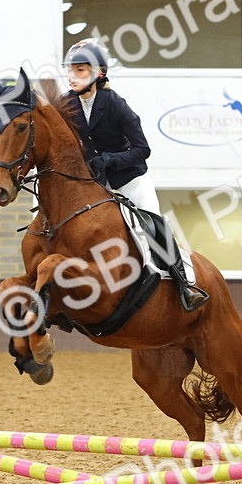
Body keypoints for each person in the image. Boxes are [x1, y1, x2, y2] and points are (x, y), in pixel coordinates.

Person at [63, 39, 208, 311]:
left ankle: (184, 283)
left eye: (80, 70)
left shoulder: (115, 104)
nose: (72, 76)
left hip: (130, 181)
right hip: (95, 186)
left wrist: (108, 161)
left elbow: (143, 149)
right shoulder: (66, 105)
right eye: (71, 70)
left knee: (155, 223)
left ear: (98, 74)